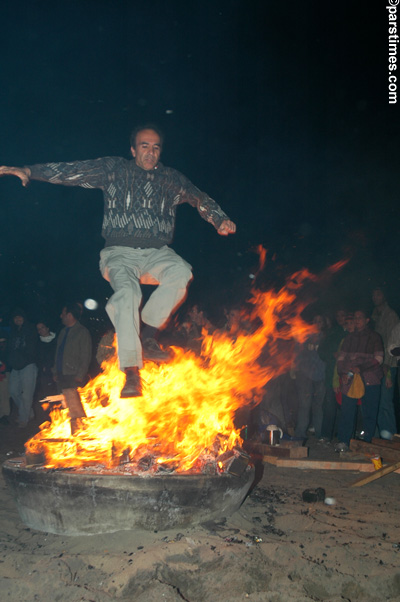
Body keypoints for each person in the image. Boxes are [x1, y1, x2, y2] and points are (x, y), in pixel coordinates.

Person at [0, 125, 236, 397]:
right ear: (133, 149)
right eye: (145, 146)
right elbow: (72, 171)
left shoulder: (172, 179)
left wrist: (218, 218)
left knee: (181, 272)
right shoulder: (114, 170)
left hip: (156, 252)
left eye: (156, 147)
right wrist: (30, 171)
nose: (151, 152)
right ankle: (132, 373)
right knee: (127, 294)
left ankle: (147, 336)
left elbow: (199, 198)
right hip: (118, 252)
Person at [335, 309, 384, 452]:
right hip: (350, 378)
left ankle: (368, 443)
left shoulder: (374, 337)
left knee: (369, 412)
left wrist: (361, 367)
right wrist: (343, 371)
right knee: (347, 411)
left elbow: (379, 359)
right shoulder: (349, 338)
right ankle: (344, 441)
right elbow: (340, 359)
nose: (356, 320)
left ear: (367, 320)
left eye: (360, 318)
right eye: (355, 318)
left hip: (370, 379)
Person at [371, 287, 399, 440]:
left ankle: (392, 438)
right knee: (379, 401)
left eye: (378, 293)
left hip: (388, 365)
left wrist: (388, 366)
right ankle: (383, 437)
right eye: (374, 294)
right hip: (377, 365)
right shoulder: (375, 316)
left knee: (386, 401)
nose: (375, 297)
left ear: (384, 296)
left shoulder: (391, 316)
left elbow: (393, 343)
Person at [293, 314, 327, 441]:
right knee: (304, 404)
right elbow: (298, 354)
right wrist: (297, 369)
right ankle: (300, 433)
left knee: (318, 405)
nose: (317, 324)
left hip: (321, 375)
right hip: (305, 375)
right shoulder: (304, 337)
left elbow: (328, 355)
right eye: (315, 321)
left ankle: (319, 434)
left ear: (323, 324)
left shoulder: (325, 338)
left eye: (320, 321)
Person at [8, 308, 38, 427]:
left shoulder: (31, 329)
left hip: (28, 365)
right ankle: (28, 412)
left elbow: (33, 348)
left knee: (27, 394)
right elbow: (10, 348)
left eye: (20, 317)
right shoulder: (13, 332)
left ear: (24, 318)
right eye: (15, 317)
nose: (18, 319)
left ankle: (23, 419)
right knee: (13, 391)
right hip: (16, 366)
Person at [53, 303, 92, 392]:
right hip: (61, 375)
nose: (61, 316)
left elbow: (86, 355)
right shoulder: (62, 332)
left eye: (63, 314)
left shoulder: (82, 332)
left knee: (74, 404)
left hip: (73, 376)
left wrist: (80, 375)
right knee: (63, 404)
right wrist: (55, 371)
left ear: (69, 315)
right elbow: (58, 353)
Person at [36, 320, 57, 399]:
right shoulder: (38, 343)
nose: (41, 330)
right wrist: (43, 367)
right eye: (38, 329)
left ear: (47, 328)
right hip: (45, 373)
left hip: (57, 370)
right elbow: (37, 358)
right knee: (48, 394)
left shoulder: (56, 339)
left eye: (42, 327)